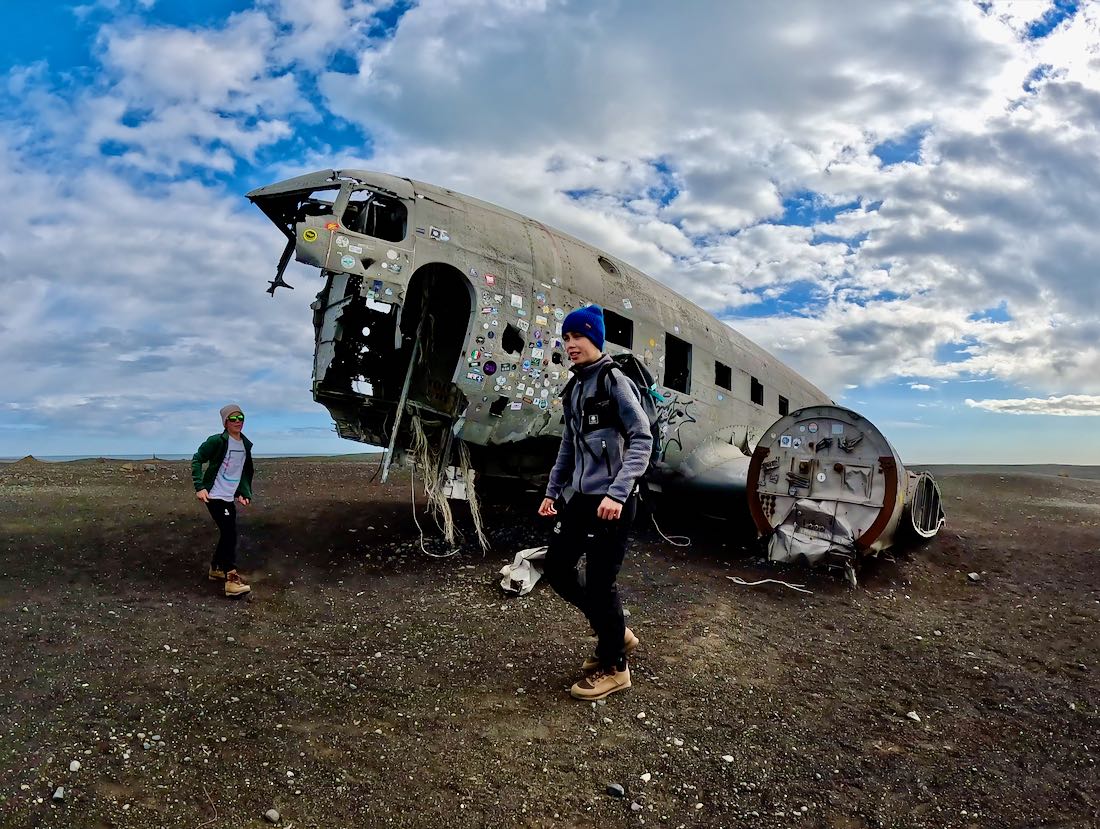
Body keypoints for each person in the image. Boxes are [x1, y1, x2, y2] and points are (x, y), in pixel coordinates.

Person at [538, 304, 652, 700]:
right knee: (557, 568)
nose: (570, 344)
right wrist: (552, 491)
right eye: (566, 338)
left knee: (601, 582)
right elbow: (568, 447)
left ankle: (616, 667)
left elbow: (642, 438)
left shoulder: (613, 380)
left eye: (578, 336)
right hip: (582, 498)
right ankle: (614, 633)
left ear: (595, 339)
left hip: (614, 500)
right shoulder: (574, 389)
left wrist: (617, 493)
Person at [191, 404, 254, 597]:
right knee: (230, 534)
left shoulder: (245, 444)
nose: (238, 421)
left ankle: (216, 568)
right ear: (225, 422)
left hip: (228, 497)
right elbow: (197, 459)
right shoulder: (217, 441)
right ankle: (231, 580)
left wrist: (243, 492)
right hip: (214, 495)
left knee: (228, 533)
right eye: (233, 418)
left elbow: (243, 471)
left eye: (240, 418)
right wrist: (200, 487)